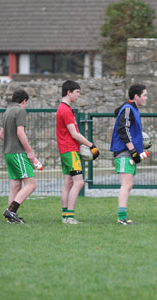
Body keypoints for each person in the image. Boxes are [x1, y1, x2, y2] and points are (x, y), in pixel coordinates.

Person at [56, 80, 99, 224]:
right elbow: (74, 134)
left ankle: (65, 216)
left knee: (68, 182)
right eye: (77, 92)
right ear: (69, 92)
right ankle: (69, 216)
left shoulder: (63, 108)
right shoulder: (65, 110)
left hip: (66, 150)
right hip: (70, 150)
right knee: (79, 183)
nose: (79, 95)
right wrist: (91, 145)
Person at [110, 84, 149, 225]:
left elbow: (117, 113)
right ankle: (121, 218)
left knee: (128, 184)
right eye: (144, 95)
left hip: (129, 151)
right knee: (126, 184)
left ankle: (123, 217)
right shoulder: (128, 108)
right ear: (136, 96)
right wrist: (133, 150)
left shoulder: (131, 108)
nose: (146, 98)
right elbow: (123, 129)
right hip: (124, 151)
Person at [0, 89, 38, 224]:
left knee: (15, 185)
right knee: (31, 184)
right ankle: (11, 211)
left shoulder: (7, 112)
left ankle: (11, 218)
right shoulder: (20, 111)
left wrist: (10, 143)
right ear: (24, 101)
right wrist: (30, 151)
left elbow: (1, 135)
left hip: (8, 153)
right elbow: (21, 133)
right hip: (18, 153)